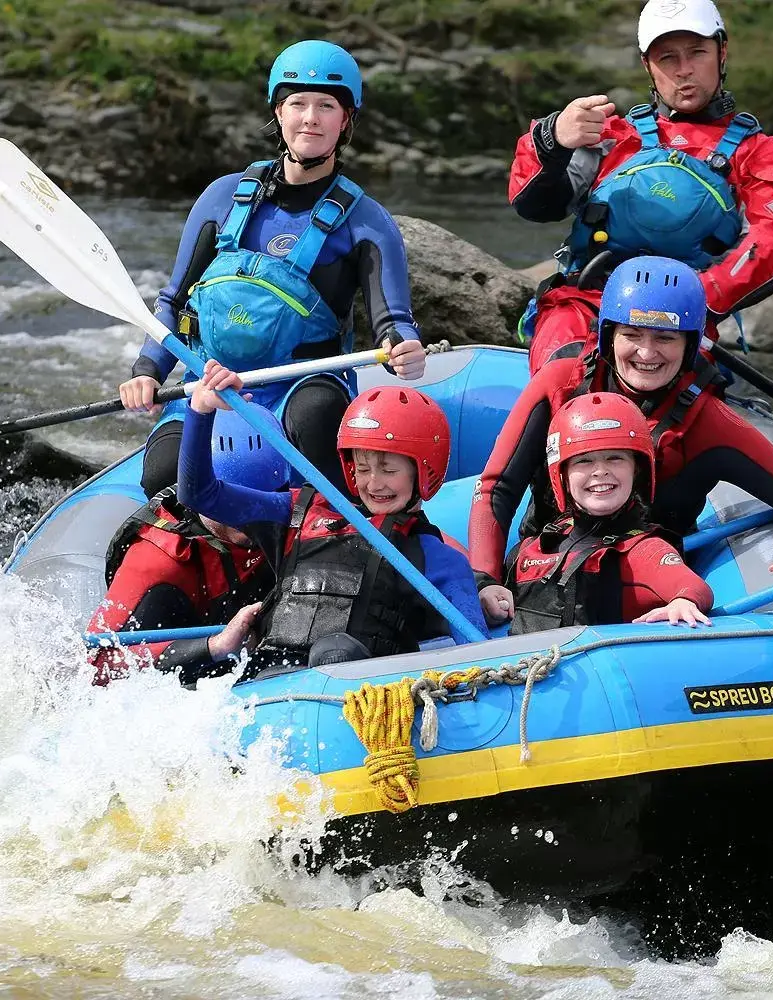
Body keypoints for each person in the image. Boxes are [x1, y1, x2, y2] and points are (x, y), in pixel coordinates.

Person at [118, 39, 428, 498]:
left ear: (345, 120)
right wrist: (147, 369)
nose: (311, 117)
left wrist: (403, 347)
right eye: (297, 104)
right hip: (208, 382)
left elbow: (393, 320)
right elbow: (174, 302)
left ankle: (318, 538)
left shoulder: (366, 221)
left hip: (302, 386)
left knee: (316, 419)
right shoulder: (222, 197)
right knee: (163, 478)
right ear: (278, 113)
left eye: (326, 105)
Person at [469, 255, 773, 620]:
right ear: (608, 335)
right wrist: (485, 579)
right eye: (631, 335)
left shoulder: (708, 420)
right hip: (546, 565)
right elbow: (496, 488)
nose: (646, 353)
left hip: (651, 582)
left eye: (665, 338)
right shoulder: (558, 384)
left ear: (689, 345)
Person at [508, 0, 773, 372]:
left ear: (721, 52)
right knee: (563, 373)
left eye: (697, 53)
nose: (684, 71)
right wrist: (551, 141)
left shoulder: (760, 156)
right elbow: (536, 206)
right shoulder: (612, 135)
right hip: (583, 305)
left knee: (670, 412)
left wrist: (688, 304)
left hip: (680, 321)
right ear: (648, 65)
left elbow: (771, 247)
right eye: (667, 58)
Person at [173, 360, 487, 676]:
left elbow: (480, 656)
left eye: (389, 470)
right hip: (272, 685)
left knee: (336, 650)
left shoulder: (437, 557)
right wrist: (200, 412)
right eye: (363, 469)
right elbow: (198, 494)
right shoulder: (298, 512)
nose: (374, 483)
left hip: (361, 698)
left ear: (424, 470)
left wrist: (486, 591)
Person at [87, 407, 288, 687]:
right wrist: (214, 646)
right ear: (210, 495)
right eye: (234, 503)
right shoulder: (156, 560)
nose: (250, 517)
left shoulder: (290, 512)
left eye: (263, 499)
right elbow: (98, 663)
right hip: (184, 677)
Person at [483, 392, 714, 633]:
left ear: (637, 471)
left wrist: (683, 601)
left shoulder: (643, 550)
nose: (600, 471)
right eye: (583, 461)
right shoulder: (531, 548)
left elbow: (692, 586)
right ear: (561, 476)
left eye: (615, 458)